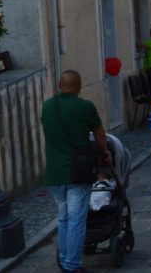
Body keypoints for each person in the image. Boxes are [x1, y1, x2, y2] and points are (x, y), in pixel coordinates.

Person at [41, 70, 111, 273]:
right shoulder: (85, 107)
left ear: (59, 85)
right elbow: (100, 135)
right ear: (79, 87)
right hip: (78, 172)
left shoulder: (47, 106)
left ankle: (64, 259)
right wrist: (104, 152)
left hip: (55, 172)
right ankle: (71, 265)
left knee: (63, 218)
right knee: (76, 220)